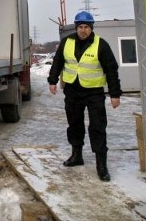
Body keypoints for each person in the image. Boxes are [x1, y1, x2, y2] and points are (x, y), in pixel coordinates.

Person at [47, 11, 122, 182]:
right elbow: (58, 62)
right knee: (74, 124)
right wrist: (52, 80)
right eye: (80, 27)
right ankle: (76, 155)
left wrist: (115, 94)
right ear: (76, 28)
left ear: (91, 28)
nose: (83, 30)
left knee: (97, 127)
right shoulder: (67, 42)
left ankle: (101, 165)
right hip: (73, 91)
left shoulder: (101, 45)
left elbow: (111, 70)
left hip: (94, 92)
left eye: (86, 27)